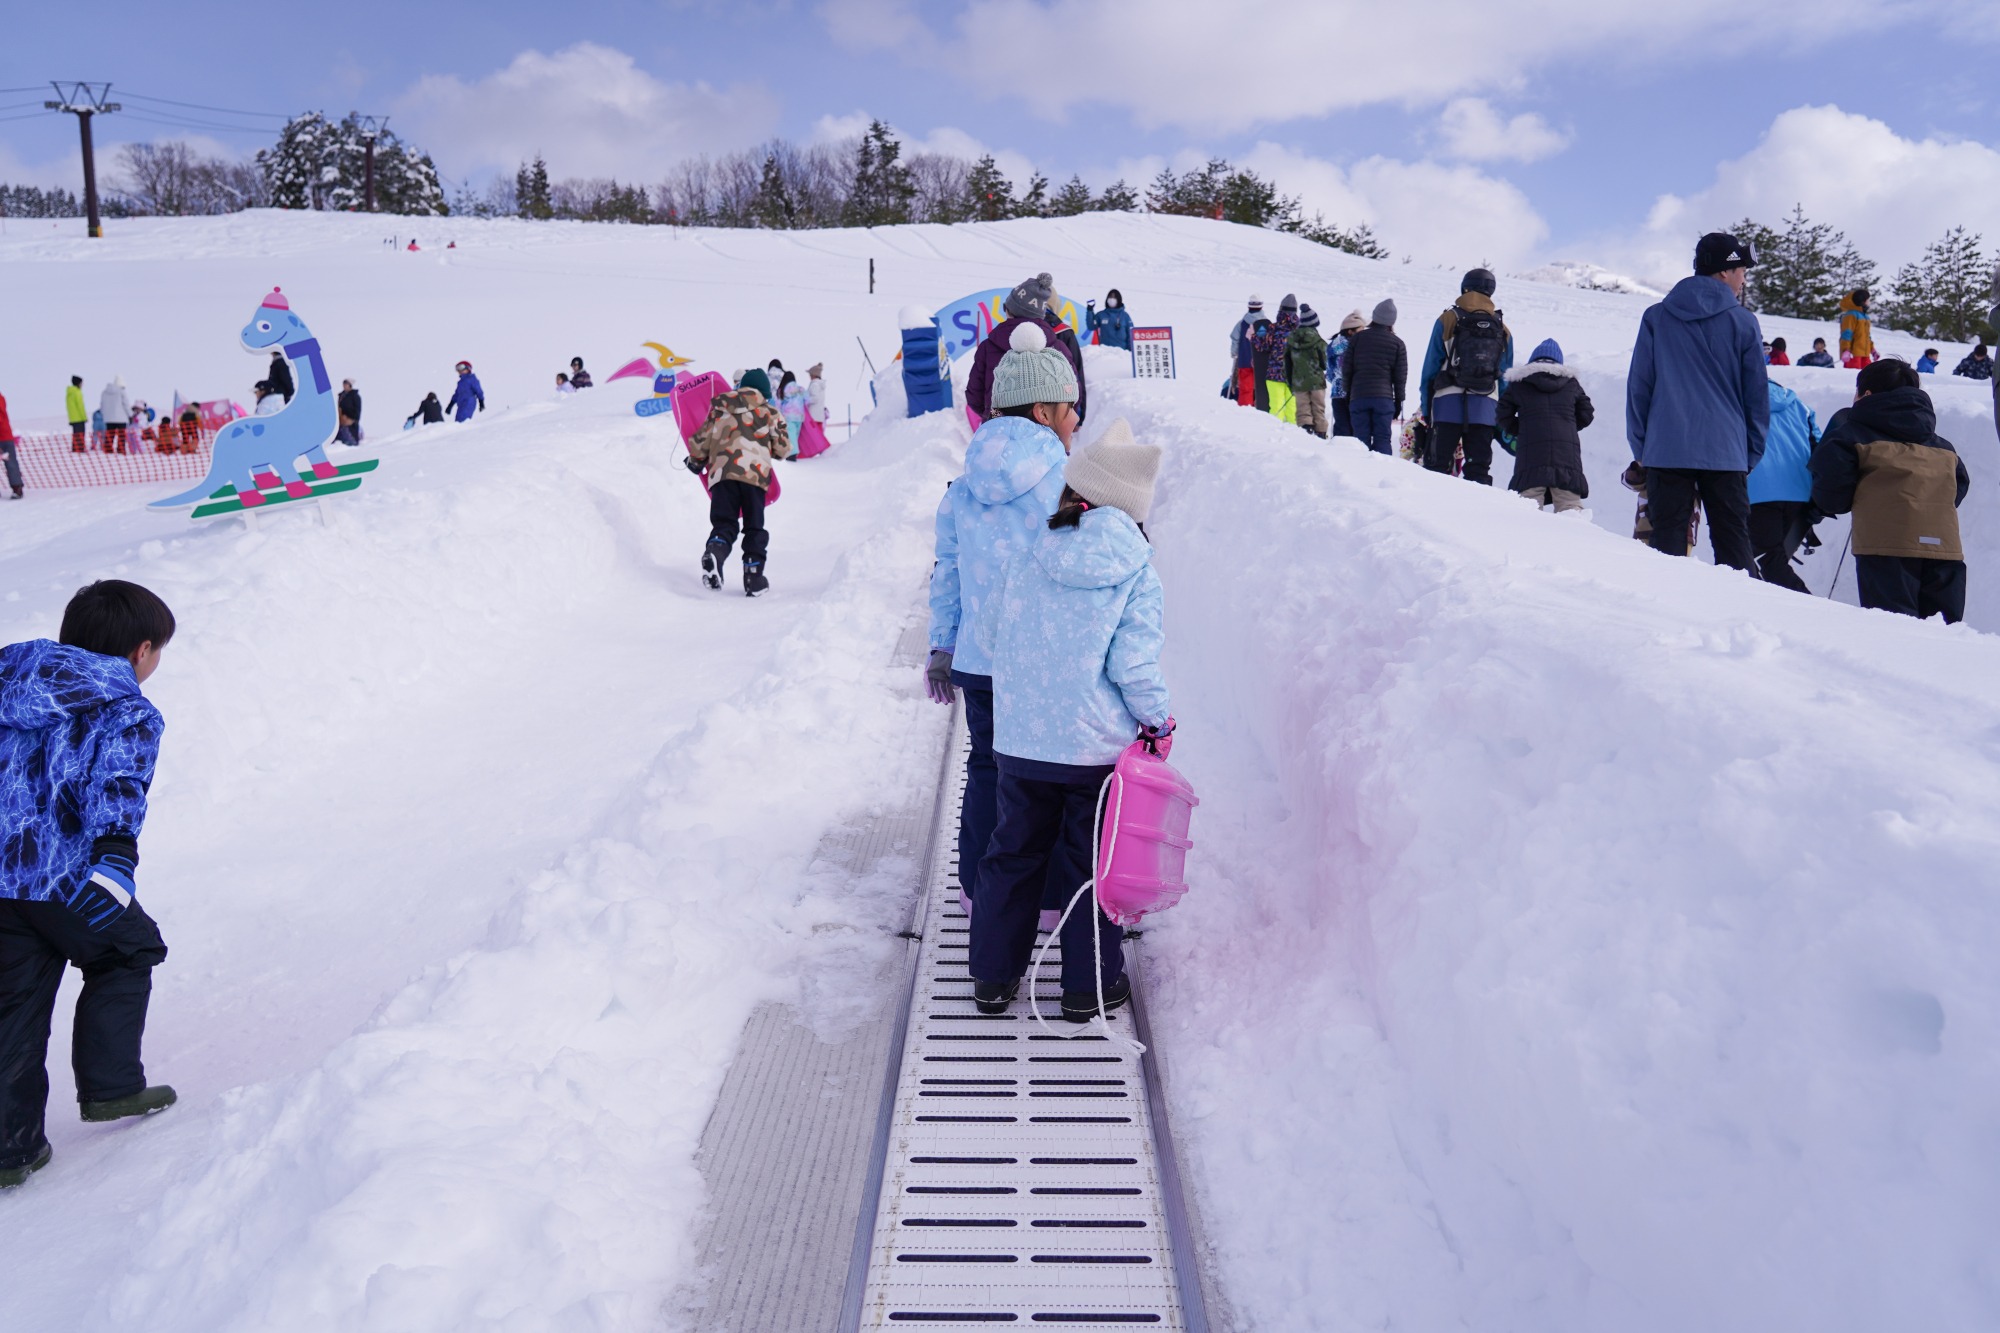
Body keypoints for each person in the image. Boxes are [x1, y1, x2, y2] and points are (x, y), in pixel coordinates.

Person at [971, 418, 1168, 1023]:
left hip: (1023, 743)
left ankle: (993, 980)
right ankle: (1087, 991)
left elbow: (992, 635)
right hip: (1094, 752)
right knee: (1088, 867)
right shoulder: (1136, 570)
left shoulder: (1031, 555)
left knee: (1012, 853)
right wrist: (1157, 721)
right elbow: (1133, 663)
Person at [0, 580, 181, 1191]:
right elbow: (118, 785)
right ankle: (111, 1088)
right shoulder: (126, 709)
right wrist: (115, 857)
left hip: (1, 882)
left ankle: (10, 1149)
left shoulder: (8, 683)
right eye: (158, 653)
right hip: (67, 879)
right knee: (129, 949)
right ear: (141, 649)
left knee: (14, 1004)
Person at [925, 323, 1077, 922]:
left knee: (986, 767)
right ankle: (1043, 899)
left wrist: (942, 645)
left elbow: (948, 571)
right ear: (1043, 410)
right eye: (1070, 410)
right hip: (1044, 659)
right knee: (1044, 777)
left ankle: (978, 891)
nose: (1074, 422)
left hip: (978, 662)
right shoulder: (1066, 484)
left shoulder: (963, 488)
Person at [1625, 231, 1768, 571]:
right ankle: (1742, 619)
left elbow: (1640, 387)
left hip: (1666, 449)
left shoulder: (1657, 317)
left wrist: (1642, 448)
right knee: (1734, 547)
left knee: (1667, 547)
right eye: (1742, 271)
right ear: (1724, 272)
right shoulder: (1743, 322)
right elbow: (1756, 397)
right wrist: (1750, 452)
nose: (1744, 279)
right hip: (1726, 452)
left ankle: (1666, 618)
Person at [1811, 358, 1968, 622]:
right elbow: (1958, 488)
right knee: (1945, 640)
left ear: (1867, 394)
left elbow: (1831, 497)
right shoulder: (1944, 446)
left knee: (1897, 635)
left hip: (1886, 552)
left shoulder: (1850, 435)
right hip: (1945, 551)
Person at [690, 369, 792, 596]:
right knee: (754, 527)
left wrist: (696, 461)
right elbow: (784, 449)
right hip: (754, 476)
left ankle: (715, 552)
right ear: (764, 392)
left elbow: (700, 441)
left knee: (724, 523)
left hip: (722, 475)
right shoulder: (769, 412)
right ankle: (753, 578)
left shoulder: (719, 407)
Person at [1419, 268, 1515, 484]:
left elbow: (1430, 370)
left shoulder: (1447, 319)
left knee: (1437, 468)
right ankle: (1478, 515)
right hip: (1484, 409)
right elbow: (1505, 378)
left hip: (1446, 406)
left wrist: (1427, 410)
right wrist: (1501, 415)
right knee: (1478, 470)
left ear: (1464, 287)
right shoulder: (1502, 328)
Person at [965, 273, 1088, 427]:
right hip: (1048, 436)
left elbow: (974, 397)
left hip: (998, 432)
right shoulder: (1058, 347)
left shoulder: (988, 347)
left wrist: (994, 415)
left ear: (1009, 310)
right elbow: (1073, 393)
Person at [1496, 339, 1592, 512]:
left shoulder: (1519, 383)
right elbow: (1587, 413)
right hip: (1566, 455)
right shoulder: (1571, 384)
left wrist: (1521, 430)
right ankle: (1575, 538)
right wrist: (1567, 426)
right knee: (1569, 505)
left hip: (1530, 454)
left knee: (1529, 504)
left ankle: (1529, 538)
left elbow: (1502, 414)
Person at [1745, 380, 1821, 592]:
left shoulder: (1737, 398)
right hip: (1799, 492)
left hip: (1758, 490)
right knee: (1771, 558)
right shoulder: (1799, 404)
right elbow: (1819, 445)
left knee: (1766, 559)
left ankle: (1813, 611)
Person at [1343, 300, 1407, 455]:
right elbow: (1400, 378)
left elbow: (1347, 370)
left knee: (1359, 441)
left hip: (1359, 397)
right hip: (1383, 400)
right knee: (1383, 439)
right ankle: (1382, 473)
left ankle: (1359, 473)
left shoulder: (1357, 339)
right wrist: (1398, 402)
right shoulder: (1398, 344)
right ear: (1392, 321)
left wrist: (1348, 394)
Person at [1256, 295, 1301, 424]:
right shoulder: (1301, 331)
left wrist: (1253, 336)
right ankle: (1294, 436)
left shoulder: (1273, 328)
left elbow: (1263, 346)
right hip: (1294, 377)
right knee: (1293, 410)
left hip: (1274, 375)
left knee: (1276, 408)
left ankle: (1274, 437)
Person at [1289, 304, 1330, 437]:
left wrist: (1291, 382)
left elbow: (1287, 363)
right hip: (1316, 381)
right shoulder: (1319, 341)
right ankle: (1321, 434)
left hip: (1299, 381)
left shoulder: (1291, 340)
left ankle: (1306, 433)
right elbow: (1325, 362)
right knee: (1319, 409)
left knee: (1303, 410)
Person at [1327, 310, 1363, 437]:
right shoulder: (1357, 345)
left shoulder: (1332, 346)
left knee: (1342, 428)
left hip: (1337, 392)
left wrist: (1336, 381)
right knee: (1356, 429)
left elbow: (1329, 372)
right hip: (1354, 392)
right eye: (1360, 330)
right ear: (1350, 331)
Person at [1229, 296, 1265, 407]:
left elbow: (1235, 338)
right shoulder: (1266, 324)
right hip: (1261, 362)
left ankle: (1244, 411)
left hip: (1244, 360)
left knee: (1245, 389)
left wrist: (1234, 353)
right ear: (1261, 307)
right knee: (1260, 389)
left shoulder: (1241, 324)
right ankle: (1259, 411)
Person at [1838, 288, 1874, 368]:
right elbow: (1846, 333)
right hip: (1854, 354)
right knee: (1853, 377)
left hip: (1865, 354)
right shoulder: (1851, 315)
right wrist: (1845, 350)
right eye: (1868, 300)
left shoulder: (1865, 317)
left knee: (1868, 377)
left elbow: (1867, 336)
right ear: (1862, 301)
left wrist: (1872, 350)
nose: (1869, 302)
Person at [99, 377, 131, 453]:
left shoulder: (104, 392)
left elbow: (102, 405)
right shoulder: (121, 392)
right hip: (121, 418)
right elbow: (126, 404)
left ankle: (108, 449)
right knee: (121, 435)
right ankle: (120, 449)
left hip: (108, 418)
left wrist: (104, 415)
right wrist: (130, 415)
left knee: (109, 434)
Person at [0, 390, 21, 499]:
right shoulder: (1, 398)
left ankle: (17, 488)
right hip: (6, 436)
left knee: (11, 462)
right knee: (11, 462)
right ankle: (17, 488)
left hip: (4, 437)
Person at [335, 378, 362, 447]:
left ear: (350, 385)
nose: (344, 385)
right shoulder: (341, 396)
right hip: (340, 421)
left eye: (346, 384)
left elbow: (357, 411)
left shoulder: (355, 396)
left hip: (351, 422)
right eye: (344, 384)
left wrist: (351, 419)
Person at [65, 376, 87, 453]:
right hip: (79, 418)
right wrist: (84, 417)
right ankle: (80, 449)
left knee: (75, 434)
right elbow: (80, 406)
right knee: (80, 434)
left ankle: (75, 448)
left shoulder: (69, 392)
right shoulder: (77, 392)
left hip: (72, 418)